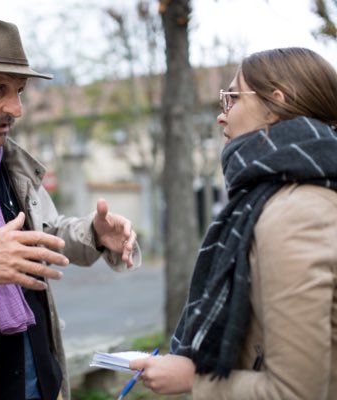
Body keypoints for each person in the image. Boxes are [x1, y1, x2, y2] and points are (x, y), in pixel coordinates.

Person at [0, 18, 141, 400]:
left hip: (39, 381)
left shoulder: (11, 163)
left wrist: (94, 234)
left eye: (19, 91)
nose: (16, 108)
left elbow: (46, 234)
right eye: (0, 89)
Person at [130, 47, 337, 400]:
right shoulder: (290, 197)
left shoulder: (295, 214)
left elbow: (296, 392)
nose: (221, 117)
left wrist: (193, 380)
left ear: (275, 104)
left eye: (232, 98)